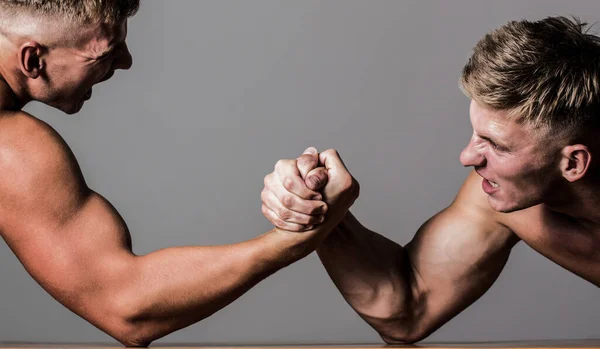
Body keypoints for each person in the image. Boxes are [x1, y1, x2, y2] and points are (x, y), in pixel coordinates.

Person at [0, 1, 359, 346]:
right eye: (106, 52)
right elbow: (127, 308)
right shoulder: (10, 146)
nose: (125, 62)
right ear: (33, 59)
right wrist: (289, 242)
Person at [261, 16, 600, 344]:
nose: (467, 157)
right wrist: (321, 209)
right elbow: (408, 309)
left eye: (495, 144)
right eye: (475, 134)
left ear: (573, 162)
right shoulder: (504, 201)